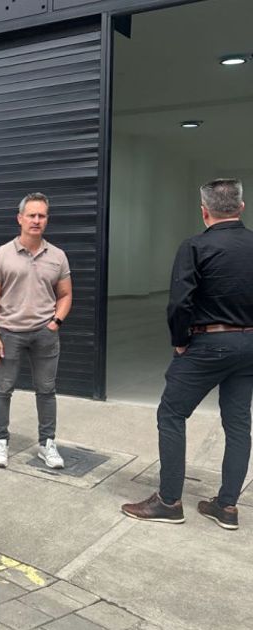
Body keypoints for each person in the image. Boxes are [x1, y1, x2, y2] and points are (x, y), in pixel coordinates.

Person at [122, 179, 253, 530]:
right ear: (241, 207)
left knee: (171, 414)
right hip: (248, 347)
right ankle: (226, 507)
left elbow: (180, 302)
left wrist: (180, 340)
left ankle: (168, 502)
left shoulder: (196, 246)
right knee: (238, 424)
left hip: (208, 344)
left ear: (204, 211)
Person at [0, 193, 73, 469]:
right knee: (3, 389)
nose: (36, 220)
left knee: (46, 390)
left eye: (41, 216)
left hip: (45, 334)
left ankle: (47, 444)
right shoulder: (1, 255)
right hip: (9, 333)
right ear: (20, 218)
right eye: (31, 215)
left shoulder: (57, 256)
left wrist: (56, 322)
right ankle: (1, 441)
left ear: (47, 220)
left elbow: (65, 294)